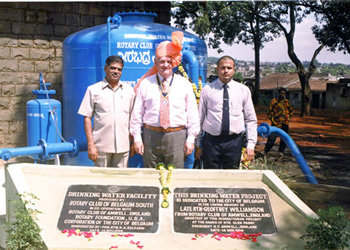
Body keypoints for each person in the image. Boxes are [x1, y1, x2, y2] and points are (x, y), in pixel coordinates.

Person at [130, 31, 200, 169]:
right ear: (155, 62)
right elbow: (136, 114)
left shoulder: (184, 83)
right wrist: (137, 139)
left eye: (169, 61)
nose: (165, 65)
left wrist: (191, 139)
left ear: (174, 63)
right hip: (150, 135)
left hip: (177, 135)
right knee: (150, 175)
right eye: (162, 61)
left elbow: (193, 114)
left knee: (175, 176)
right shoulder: (146, 83)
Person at [195, 56, 257, 169]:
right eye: (223, 68)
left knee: (231, 177)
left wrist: (251, 145)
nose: (226, 71)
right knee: (210, 177)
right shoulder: (207, 90)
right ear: (217, 69)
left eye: (229, 68)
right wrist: (197, 144)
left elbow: (251, 119)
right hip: (211, 142)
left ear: (234, 70)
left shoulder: (243, 90)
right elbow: (200, 118)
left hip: (234, 142)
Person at [78, 55, 135, 168]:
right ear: (105, 69)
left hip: (123, 147)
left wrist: (132, 142)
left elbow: (133, 119)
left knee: (120, 183)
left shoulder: (129, 91)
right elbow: (87, 118)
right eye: (113, 68)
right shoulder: (93, 90)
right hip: (101, 147)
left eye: (119, 69)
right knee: (101, 182)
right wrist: (91, 145)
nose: (116, 72)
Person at [262, 87, 293, 157]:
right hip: (275, 123)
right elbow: (269, 111)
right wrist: (272, 119)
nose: (282, 95)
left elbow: (291, 111)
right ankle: (265, 151)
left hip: (284, 123)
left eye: (284, 93)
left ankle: (281, 151)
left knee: (284, 138)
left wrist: (287, 118)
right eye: (281, 93)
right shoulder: (274, 101)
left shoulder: (287, 102)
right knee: (271, 138)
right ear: (279, 93)